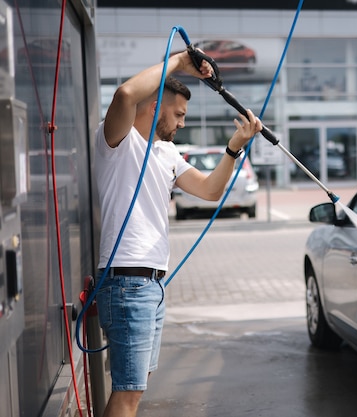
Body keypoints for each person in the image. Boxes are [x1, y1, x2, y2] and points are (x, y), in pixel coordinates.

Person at [94, 50, 262, 417]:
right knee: (128, 393)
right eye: (180, 114)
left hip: (152, 285)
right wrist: (179, 60)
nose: (183, 124)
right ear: (155, 106)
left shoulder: (166, 153)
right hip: (127, 282)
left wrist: (234, 148)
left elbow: (210, 190)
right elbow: (124, 94)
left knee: (135, 386)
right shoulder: (118, 142)